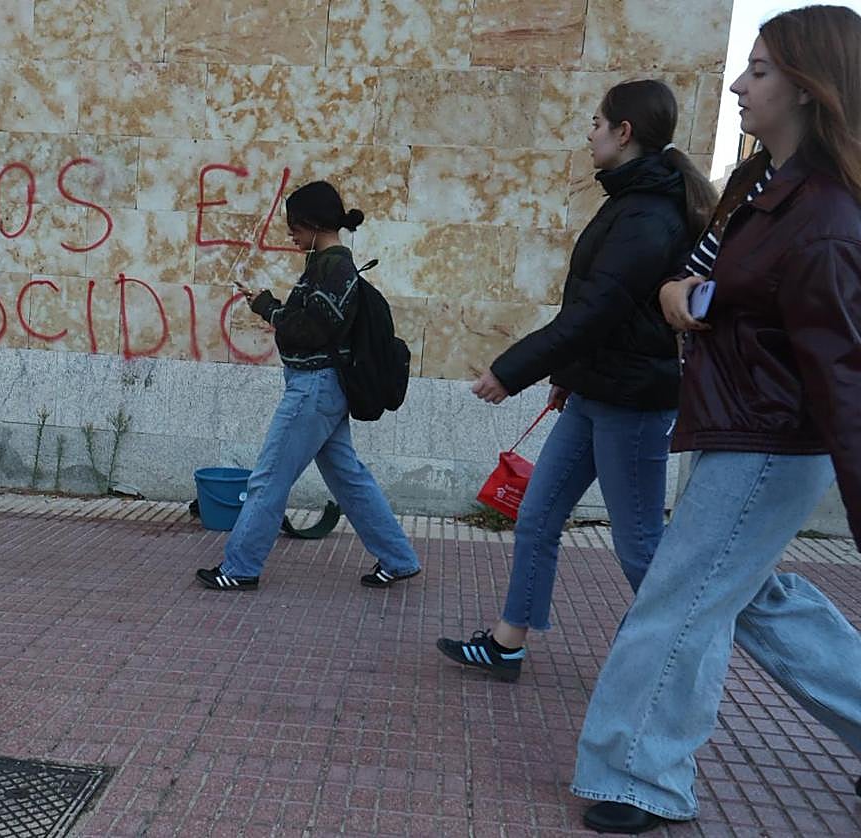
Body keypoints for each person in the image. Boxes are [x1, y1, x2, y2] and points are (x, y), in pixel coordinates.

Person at [572, 6, 861, 834]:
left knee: (678, 596)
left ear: (811, 89)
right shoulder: (764, 186)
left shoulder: (825, 213)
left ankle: (642, 776)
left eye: (761, 70)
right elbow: (699, 286)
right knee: (751, 596)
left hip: (768, 438)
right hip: (744, 427)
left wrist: (692, 299)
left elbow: (843, 371)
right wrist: (687, 297)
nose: (738, 81)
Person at [436, 80, 717, 681]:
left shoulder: (648, 215)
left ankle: (675, 659)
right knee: (537, 517)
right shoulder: (629, 200)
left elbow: (595, 313)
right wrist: (571, 377)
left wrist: (510, 372)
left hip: (632, 406)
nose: (588, 133)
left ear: (625, 133)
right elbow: (610, 315)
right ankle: (509, 642)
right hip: (596, 392)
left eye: (596, 122)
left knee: (639, 544)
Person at [195, 181, 421, 591]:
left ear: (314, 224)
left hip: (313, 390)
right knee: (349, 477)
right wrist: (271, 306)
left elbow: (310, 330)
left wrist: (268, 308)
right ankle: (399, 558)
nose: (289, 234)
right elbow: (312, 324)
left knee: (269, 477)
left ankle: (240, 568)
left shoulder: (333, 267)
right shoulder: (326, 264)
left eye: (294, 225)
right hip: (321, 389)